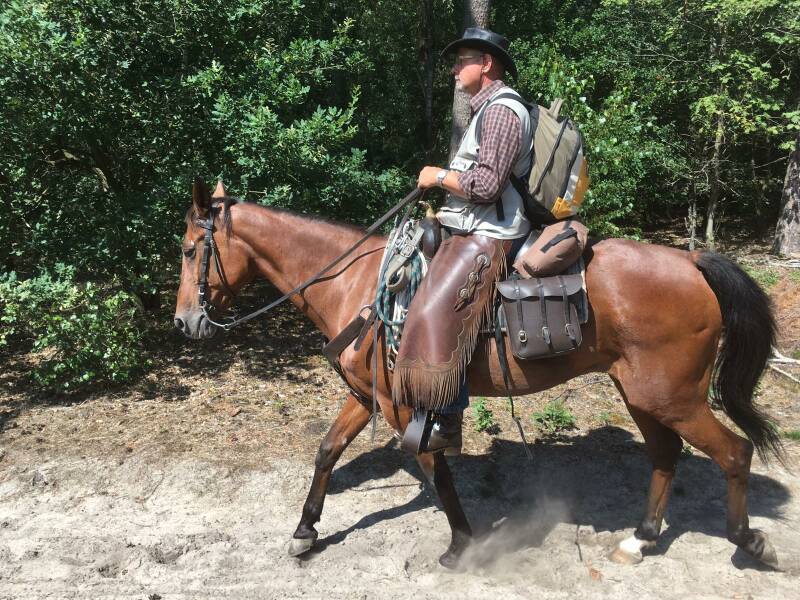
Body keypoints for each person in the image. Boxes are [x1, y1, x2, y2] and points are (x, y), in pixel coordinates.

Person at [393, 28, 533, 454]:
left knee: (438, 301)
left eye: (462, 60)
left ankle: (447, 422)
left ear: (486, 64)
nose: (455, 69)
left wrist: (438, 176)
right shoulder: (484, 110)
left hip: (493, 232)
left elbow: (488, 185)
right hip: (475, 224)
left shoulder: (502, 112)